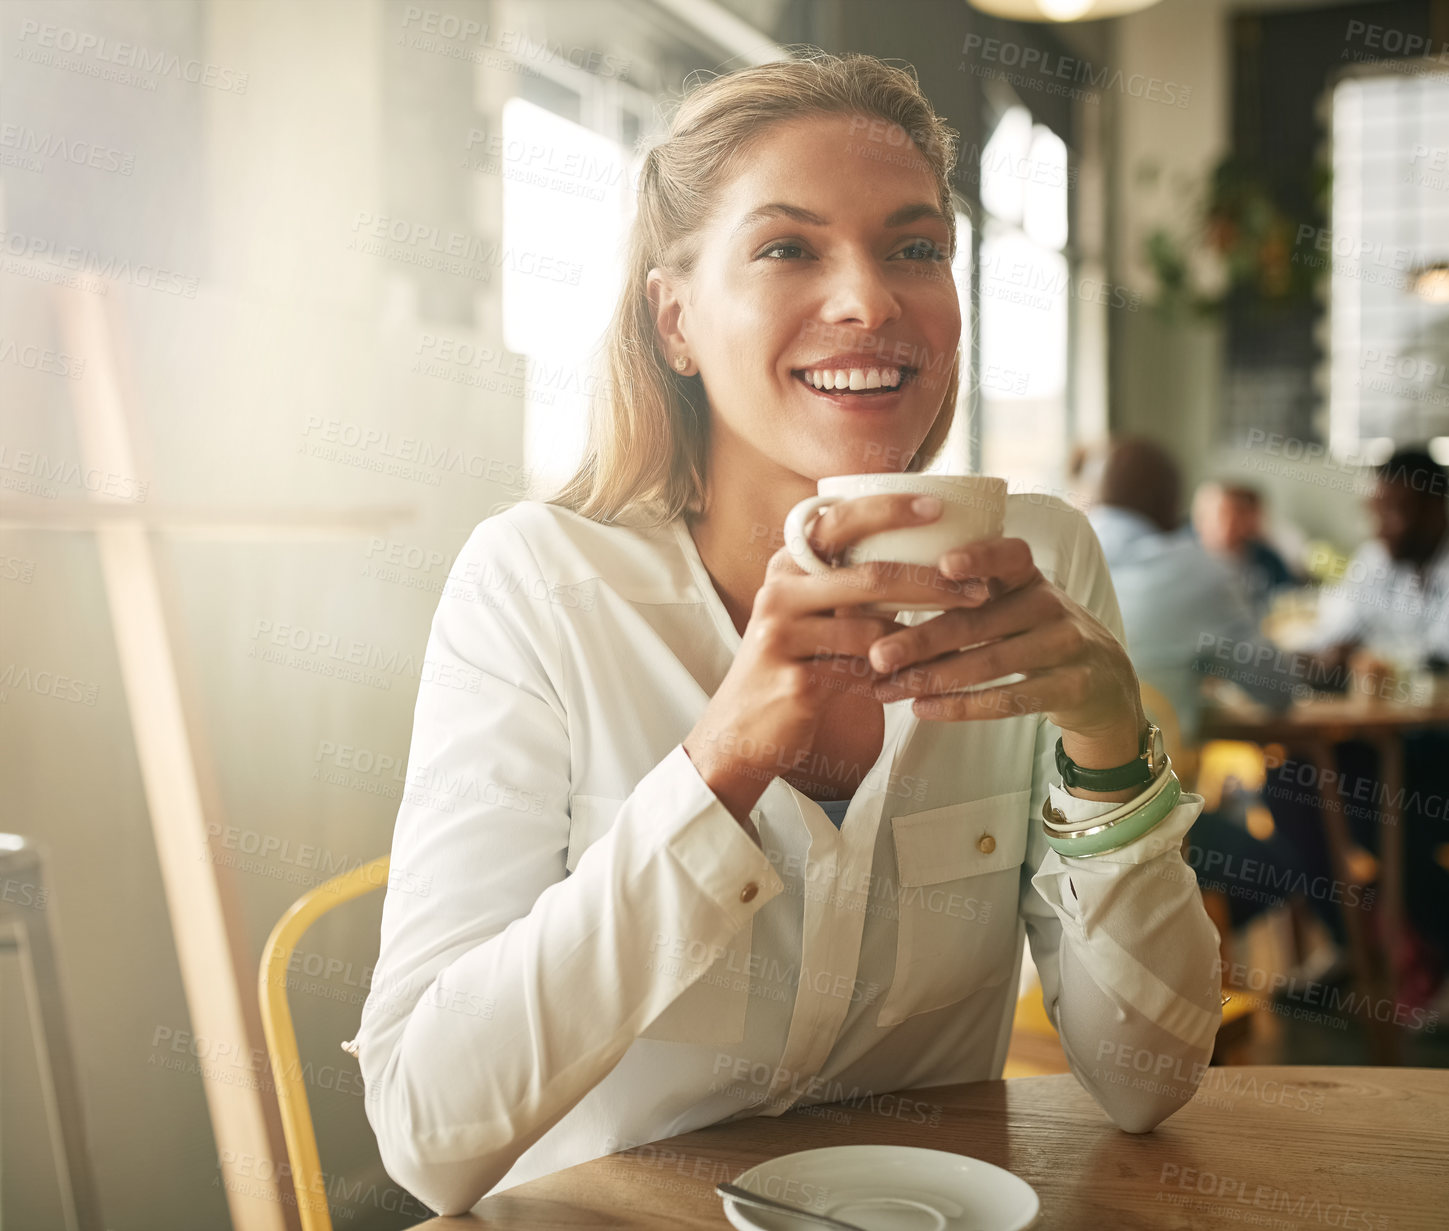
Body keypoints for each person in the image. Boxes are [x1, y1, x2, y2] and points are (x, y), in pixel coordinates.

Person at [353, 53, 1221, 1216]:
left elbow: (1147, 1083)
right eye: (788, 248)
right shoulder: (537, 586)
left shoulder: (1042, 562)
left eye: (916, 248)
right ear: (676, 320)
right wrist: (717, 768)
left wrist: (1112, 743)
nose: (871, 300)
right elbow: (425, 1132)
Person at [1264, 445, 1449, 1033]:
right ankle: (1353, 946)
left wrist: (1379, 662)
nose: (1381, 525)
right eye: (1375, 511)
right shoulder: (1378, 563)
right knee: (1292, 781)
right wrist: (1320, 652)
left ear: (1437, 507)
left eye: (1396, 511)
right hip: (1414, 748)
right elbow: (1330, 629)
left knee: (1380, 800)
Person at [1076, 439, 1331, 942]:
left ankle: (1112, 937)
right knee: (1279, 870)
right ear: (1175, 510)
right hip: (1149, 826)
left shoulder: (1053, 562)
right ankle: (1172, 948)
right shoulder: (1191, 569)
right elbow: (1277, 691)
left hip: (1049, 826)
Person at [1192, 481, 1303, 618]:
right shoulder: (1188, 568)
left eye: (1236, 515)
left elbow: (1289, 597)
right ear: (1198, 520)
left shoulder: (1265, 557)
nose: (1231, 524)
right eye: (1222, 515)